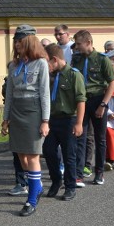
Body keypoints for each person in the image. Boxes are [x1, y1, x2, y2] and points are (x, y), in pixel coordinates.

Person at [1, 25, 50, 216]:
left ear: (28, 41)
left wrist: (45, 120)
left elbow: (45, 94)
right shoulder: (13, 65)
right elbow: (10, 95)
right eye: (15, 41)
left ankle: (31, 199)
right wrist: (5, 119)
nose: (16, 44)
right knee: (22, 157)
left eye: (19, 41)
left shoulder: (41, 64)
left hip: (33, 111)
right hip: (17, 111)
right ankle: (36, 187)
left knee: (32, 156)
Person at [71, 30, 114, 186]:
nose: (76, 47)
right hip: (81, 101)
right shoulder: (76, 59)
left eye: (79, 44)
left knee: (100, 138)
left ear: (88, 43)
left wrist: (103, 105)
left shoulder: (102, 60)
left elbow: (112, 83)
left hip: (98, 100)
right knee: (80, 136)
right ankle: (79, 174)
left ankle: (99, 172)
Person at [42, 44, 85, 201]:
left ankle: (70, 186)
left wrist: (79, 123)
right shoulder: (48, 76)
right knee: (48, 151)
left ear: (54, 59)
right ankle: (56, 181)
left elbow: (81, 100)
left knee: (69, 154)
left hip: (68, 120)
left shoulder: (74, 75)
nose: (45, 66)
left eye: (46, 62)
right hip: (52, 120)